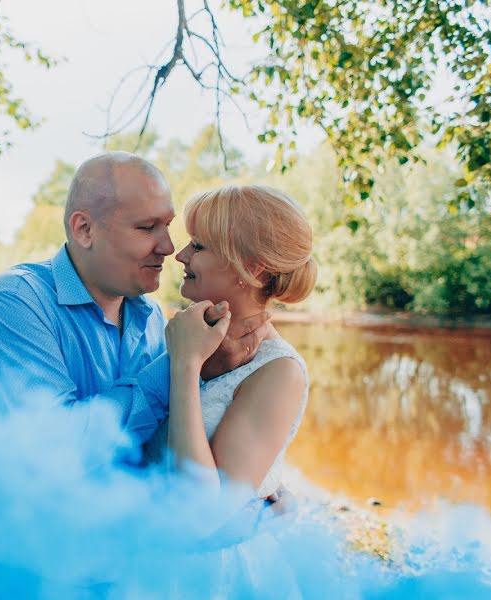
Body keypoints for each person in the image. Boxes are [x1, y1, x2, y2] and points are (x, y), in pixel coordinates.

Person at [0, 153, 273, 598]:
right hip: (14, 574)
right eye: (146, 228)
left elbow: (155, 453)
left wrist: (237, 506)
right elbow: (57, 449)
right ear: (84, 229)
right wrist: (178, 365)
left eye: (167, 225)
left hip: (114, 575)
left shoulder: (152, 318)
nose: (168, 247)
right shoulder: (11, 305)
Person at [163, 184, 317, 594]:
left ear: (254, 270)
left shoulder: (279, 372)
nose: (180, 255)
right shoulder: (187, 332)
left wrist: (184, 365)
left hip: (212, 578)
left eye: (198, 246)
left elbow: (202, 513)